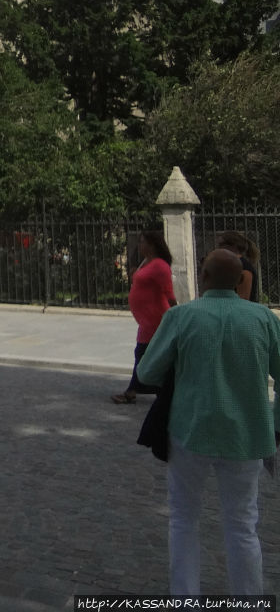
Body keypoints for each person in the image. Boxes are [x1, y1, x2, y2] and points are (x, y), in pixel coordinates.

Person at [137, 249, 280, 596]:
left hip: (190, 430)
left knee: (183, 518)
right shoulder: (264, 319)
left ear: (204, 277)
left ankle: (185, 599)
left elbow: (147, 371)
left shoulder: (183, 317)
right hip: (247, 436)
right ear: (240, 281)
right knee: (243, 524)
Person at [111, 230, 176, 404]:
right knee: (146, 353)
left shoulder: (160, 266)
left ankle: (133, 390)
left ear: (152, 244)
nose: (139, 245)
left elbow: (169, 293)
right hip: (147, 319)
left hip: (155, 319)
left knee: (142, 352)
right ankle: (158, 388)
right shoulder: (147, 262)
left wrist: (176, 315)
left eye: (142, 242)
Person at [218, 231, 261, 303]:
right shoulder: (231, 265)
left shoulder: (244, 268)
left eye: (221, 244)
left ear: (233, 246)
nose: (219, 248)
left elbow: (243, 299)